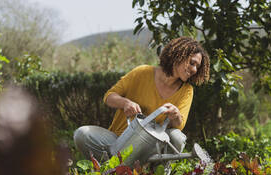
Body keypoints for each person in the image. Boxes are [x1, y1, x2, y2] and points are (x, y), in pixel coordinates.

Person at [74, 36, 210, 163]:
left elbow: (179, 126)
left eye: (197, 67)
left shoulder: (186, 90)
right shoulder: (142, 72)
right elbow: (109, 96)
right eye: (192, 63)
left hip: (150, 150)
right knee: (82, 134)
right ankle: (113, 168)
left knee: (177, 137)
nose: (194, 69)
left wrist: (175, 115)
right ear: (178, 56)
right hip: (120, 140)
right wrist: (125, 103)